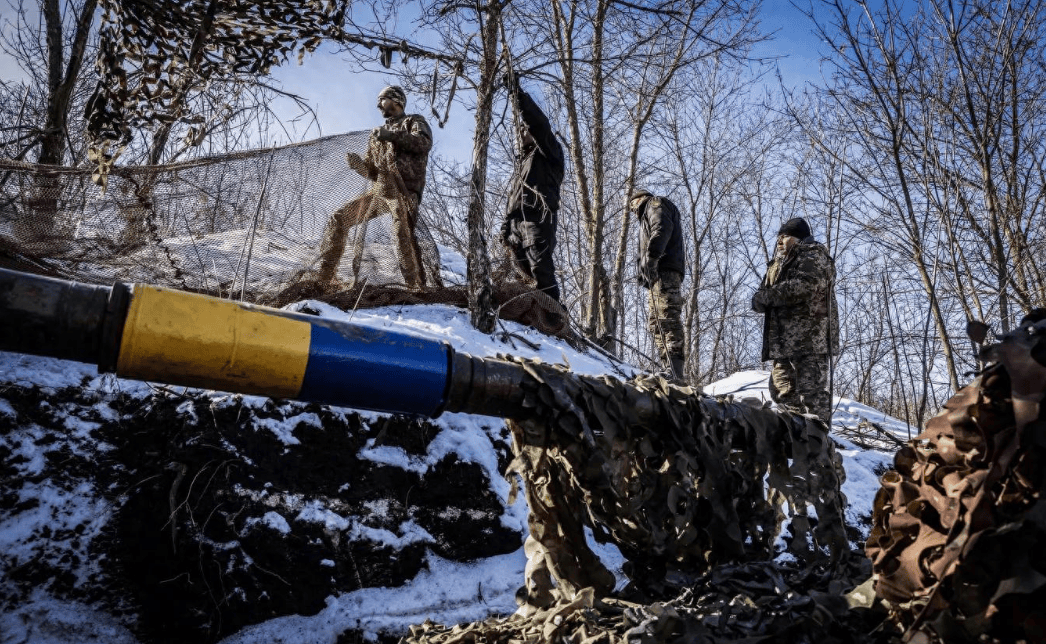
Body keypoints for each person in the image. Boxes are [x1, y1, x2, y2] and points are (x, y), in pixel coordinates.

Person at [317, 85, 434, 288]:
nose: (378, 105)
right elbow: (372, 171)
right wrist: (358, 166)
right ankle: (324, 279)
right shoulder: (376, 135)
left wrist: (392, 136)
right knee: (339, 218)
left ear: (396, 100)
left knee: (401, 235)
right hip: (381, 191)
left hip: (404, 191)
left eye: (382, 99)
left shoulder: (413, 121)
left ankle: (415, 288)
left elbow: (424, 143)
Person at [751, 217, 840, 425]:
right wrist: (762, 298)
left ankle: (817, 446)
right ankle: (795, 439)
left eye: (785, 237)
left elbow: (805, 286)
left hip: (810, 341)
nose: (780, 241)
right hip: (782, 344)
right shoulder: (778, 264)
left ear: (799, 238)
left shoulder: (813, 255)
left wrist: (767, 297)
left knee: (812, 394)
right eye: (778, 237)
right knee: (782, 391)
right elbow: (761, 295)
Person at [501, 78, 564, 302]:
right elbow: (513, 198)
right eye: (519, 132)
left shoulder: (549, 153)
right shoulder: (524, 163)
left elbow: (539, 124)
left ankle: (554, 317)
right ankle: (531, 314)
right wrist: (506, 227)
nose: (521, 134)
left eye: (524, 130)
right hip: (517, 224)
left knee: (540, 269)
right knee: (519, 275)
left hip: (537, 219)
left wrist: (518, 97)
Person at [630, 190, 686, 381]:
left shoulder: (654, 204)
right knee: (656, 324)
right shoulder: (648, 211)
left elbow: (662, 227)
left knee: (667, 319)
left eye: (632, 204)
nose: (631, 209)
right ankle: (668, 368)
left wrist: (652, 256)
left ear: (640, 199)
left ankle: (675, 372)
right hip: (656, 275)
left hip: (664, 270)